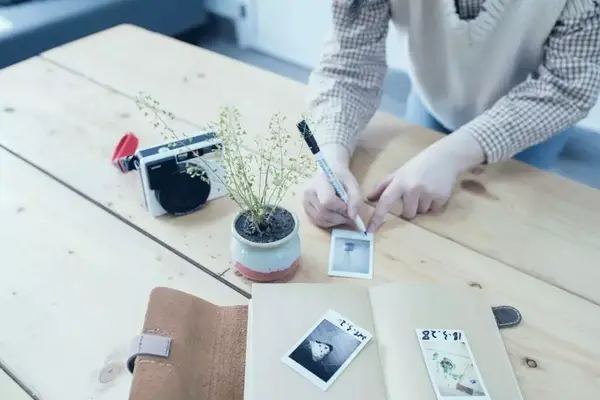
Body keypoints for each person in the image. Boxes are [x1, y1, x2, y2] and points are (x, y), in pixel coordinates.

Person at [302, 0, 600, 233]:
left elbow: (567, 87)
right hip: (432, 100)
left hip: (532, 119)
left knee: (513, 229)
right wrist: (332, 155)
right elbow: (349, 66)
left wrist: (451, 154)